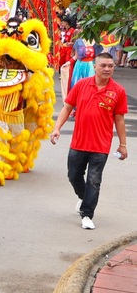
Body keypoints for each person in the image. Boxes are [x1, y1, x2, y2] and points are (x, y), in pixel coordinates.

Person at [50, 52, 128, 230]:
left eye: (111, 66)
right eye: (103, 65)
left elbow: (120, 119)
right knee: (73, 175)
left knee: (94, 180)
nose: (107, 69)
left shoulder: (118, 91)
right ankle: (83, 197)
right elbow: (68, 107)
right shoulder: (81, 85)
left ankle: (87, 214)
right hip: (78, 142)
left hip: (101, 145)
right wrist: (57, 128)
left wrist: (122, 145)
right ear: (95, 66)